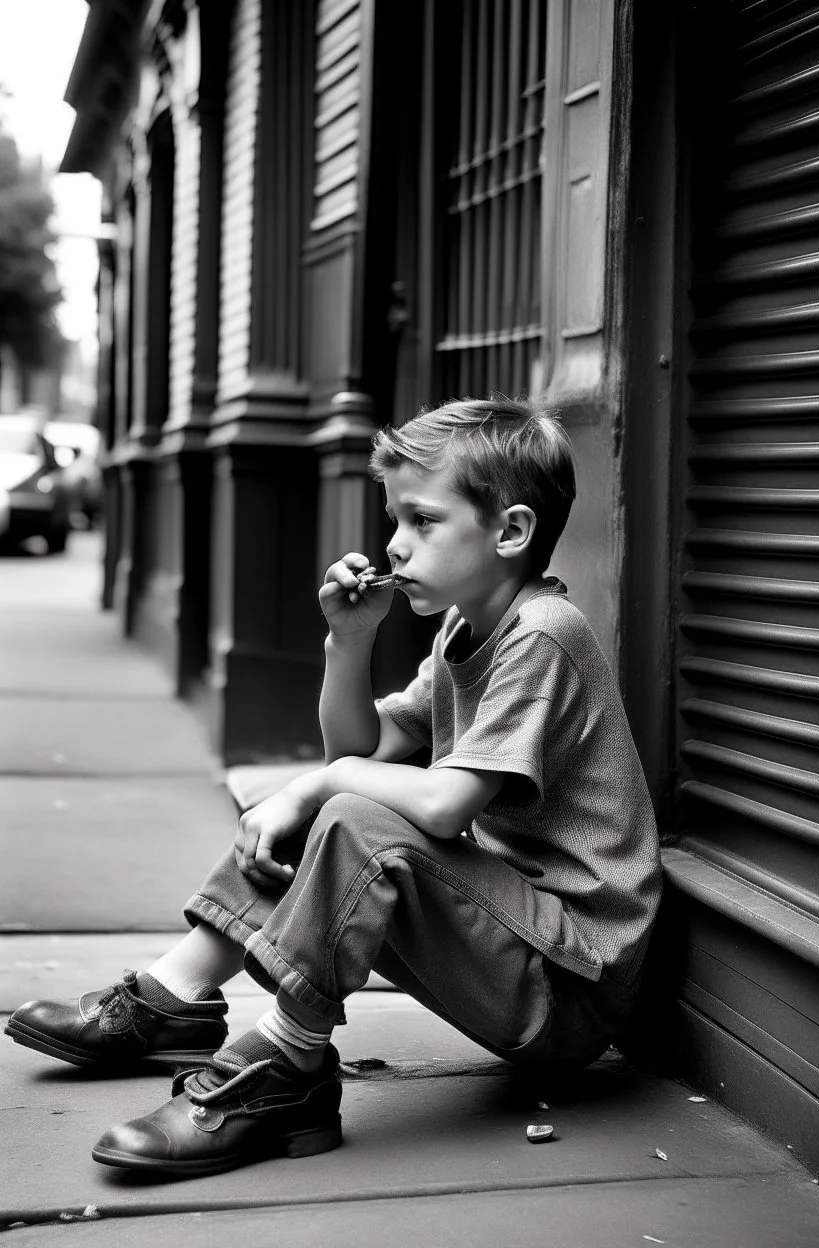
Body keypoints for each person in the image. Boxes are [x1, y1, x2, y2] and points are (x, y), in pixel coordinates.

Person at [5, 395, 662, 1178]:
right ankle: (172, 996)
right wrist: (348, 643)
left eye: (423, 522)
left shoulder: (546, 636)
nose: (396, 544)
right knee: (330, 808)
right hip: (511, 938)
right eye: (396, 522)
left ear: (511, 532)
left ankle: (288, 1065)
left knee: (350, 813)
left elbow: (439, 802)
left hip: (570, 985)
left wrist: (324, 785)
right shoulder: (463, 632)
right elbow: (360, 746)